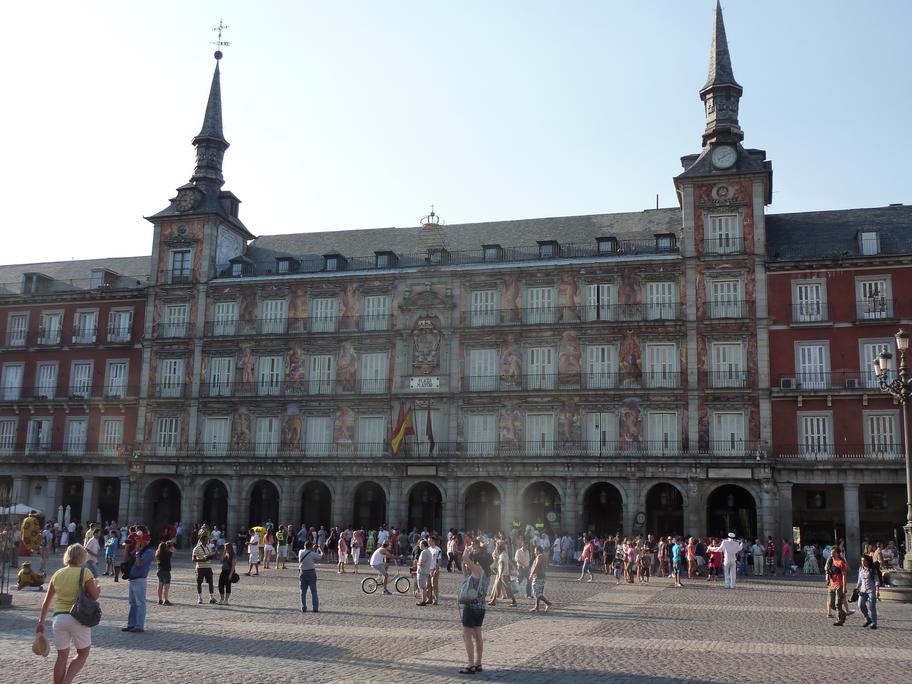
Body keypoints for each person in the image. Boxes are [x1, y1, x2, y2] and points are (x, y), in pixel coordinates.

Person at [36, 544, 101, 684]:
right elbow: (94, 596)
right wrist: (98, 590)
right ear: (82, 557)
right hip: (78, 617)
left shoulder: (57, 574)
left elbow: (46, 602)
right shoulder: (85, 572)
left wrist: (41, 622)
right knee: (83, 654)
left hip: (59, 618)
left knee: (61, 657)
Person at [459, 540, 491, 675]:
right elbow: (466, 571)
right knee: (478, 635)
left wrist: (467, 548)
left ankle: (470, 664)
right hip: (481, 606)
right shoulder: (488, 572)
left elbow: (465, 558)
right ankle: (478, 663)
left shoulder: (477, 569)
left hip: (471, 606)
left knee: (467, 635)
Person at [123, 531, 154, 632]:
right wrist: (127, 547)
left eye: (139, 541)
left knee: (140, 603)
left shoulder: (148, 552)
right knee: (132, 603)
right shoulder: (138, 550)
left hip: (140, 580)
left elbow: (139, 564)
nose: (137, 543)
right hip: (132, 580)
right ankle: (131, 624)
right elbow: (126, 559)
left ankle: (139, 626)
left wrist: (137, 552)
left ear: (144, 542)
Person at [192, 533, 218, 605]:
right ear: (201, 540)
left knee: (211, 583)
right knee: (199, 583)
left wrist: (212, 555)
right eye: (205, 540)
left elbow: (209, 555)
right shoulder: (196, 548)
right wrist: (202, 560)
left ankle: (211, 597)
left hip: (208, 567)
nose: (206, 541)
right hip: (200, 568)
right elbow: (193, 559)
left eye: (207, 540)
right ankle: (200, 598)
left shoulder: (208, 547)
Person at [856, 554, 880, 629]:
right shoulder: (861, 569)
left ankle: (874, 622)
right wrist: (856, 588)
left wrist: (877, 590)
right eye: (861, 561)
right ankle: (867, 618)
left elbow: (876, 580)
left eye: (864, 561)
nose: (862, 562)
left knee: (872, 607)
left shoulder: (872, 569)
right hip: (863, 590)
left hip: (871, 590)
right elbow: (859, 580)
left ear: (868, 561)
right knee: (860, 605)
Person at [298, 540, 323, 612]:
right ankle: (315, 608)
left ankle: (303, 607)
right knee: (313, 591)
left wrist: (312, 548)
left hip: (303, 572)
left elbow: (307, 551)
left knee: (303, 591)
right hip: (311, 572)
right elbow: (321, 556)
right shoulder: (312, 554)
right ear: (310, 547)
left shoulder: (300, 552)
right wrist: (320, 549)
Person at [827, 546, 848, 626]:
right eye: (831, 552)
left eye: (833, 552)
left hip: (839, 585)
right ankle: (843, 614)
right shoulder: (830, 561)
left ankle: (839, 620)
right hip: (831, 585)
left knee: (837, 604)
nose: (831, 554)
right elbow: (826, 569)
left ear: (837, 553)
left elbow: (844, 575)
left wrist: (844, 587)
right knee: (831, 604)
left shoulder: (841, 562)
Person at [529, 544, 553, 612]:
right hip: (542, 576)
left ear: (538, 551)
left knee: (536, 592)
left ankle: (548, 603)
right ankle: (537, 607)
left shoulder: (539, 557)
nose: (534, 552)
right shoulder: (544, 556)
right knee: (539, 592)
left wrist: (531, 574)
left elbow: (537, 566)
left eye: (535, 551)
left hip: (538, 576)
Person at [155, 539, 174, 606]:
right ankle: (166, 600)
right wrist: (170, 545)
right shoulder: (167, 554)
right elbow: (173, 550)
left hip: (159, 571)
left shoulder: (157, 554)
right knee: (166, 587)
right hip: (166, 571)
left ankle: (160, 600)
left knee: (160, 586)